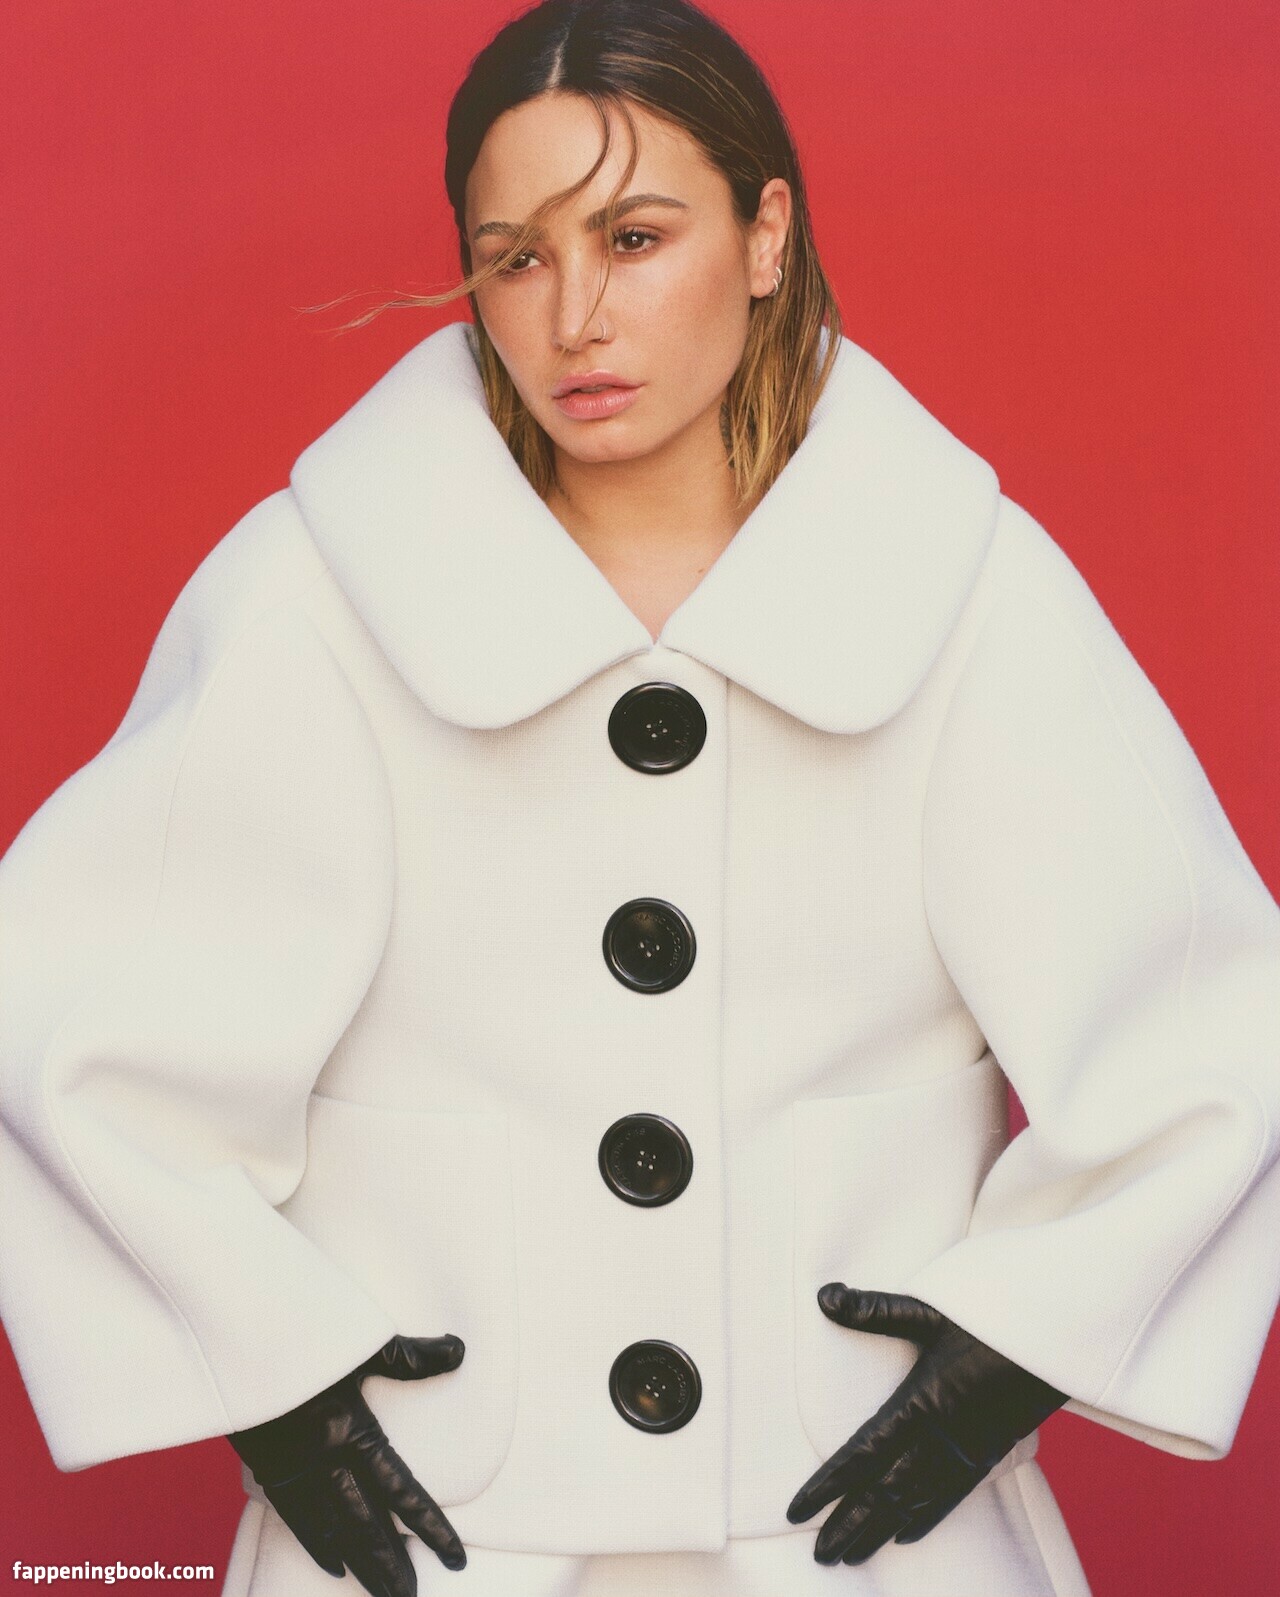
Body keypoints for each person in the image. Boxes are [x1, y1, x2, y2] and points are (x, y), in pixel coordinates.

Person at [1, 1, 1277, 1595]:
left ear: (766, 233)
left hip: (866, 1547)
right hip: (442, 1542)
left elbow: (1210, 1018)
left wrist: (1030, 1335)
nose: (575, 316)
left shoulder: (960, 584)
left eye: (634, 236)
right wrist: (252, 1359)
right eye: (516, 258)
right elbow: (67, 1021)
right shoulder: (317, 592)